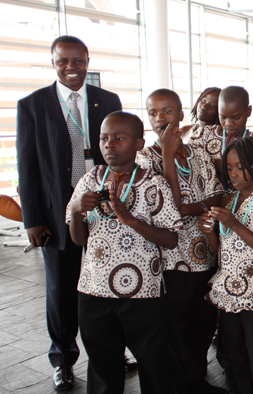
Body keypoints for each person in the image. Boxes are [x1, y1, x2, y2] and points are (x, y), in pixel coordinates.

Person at [15, 35, 123, 391]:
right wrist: (33, 218)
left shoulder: (108, 101)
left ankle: (111, 352)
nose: (71, 67)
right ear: (52, 62)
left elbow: (120, 153)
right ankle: (62, 359)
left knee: (108, 284)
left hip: (104, 208)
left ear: (88, 60)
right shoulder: (32, 105)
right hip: (55, 212)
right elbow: (27, 165)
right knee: (61, 290)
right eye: (63, 61)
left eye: (77, 60)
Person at [66, 111, 183, 394]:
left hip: (141, 294)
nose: (109, 144)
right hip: (93, 292)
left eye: (119, 138)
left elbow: (170, 239)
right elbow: (78, 238)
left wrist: (131, 221)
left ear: (139, 144)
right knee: (103, 366)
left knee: (154, 364)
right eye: (104, 138)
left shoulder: (153, 184)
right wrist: (76, 210)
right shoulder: (90, 180)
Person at [137, 89, 226, 393]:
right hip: (170, 259)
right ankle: (179, 384)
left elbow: (218, 195)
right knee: (172, 327)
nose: (160, 118)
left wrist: (192, 208)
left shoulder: (198, 152)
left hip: (205, 254)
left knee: (201, 324)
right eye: (153, 112)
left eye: (167, 111)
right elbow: (168, 208)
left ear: (180, 113)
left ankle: (196, 378)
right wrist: (166, 155)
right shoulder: (144, 159)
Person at [199, 137, 253, 394]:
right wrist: (209, 231)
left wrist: (234, 224)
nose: (233, 173)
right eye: (229, 167)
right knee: (233, 350)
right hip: (228, 288)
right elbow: (220, 251)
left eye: (239, 167)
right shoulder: (230, 198)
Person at [199, 86, 253, 178]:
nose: (228, 123)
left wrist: (212, 163)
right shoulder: (205, 134)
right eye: (223, 117)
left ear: (248, 111)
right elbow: (194, 162)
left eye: (236, 118)